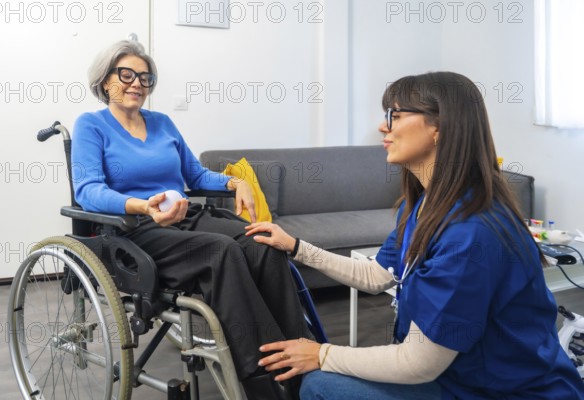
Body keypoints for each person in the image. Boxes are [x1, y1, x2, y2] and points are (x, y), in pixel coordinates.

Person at [246, 72, 584, 399]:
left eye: (394, 115)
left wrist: (322, 354)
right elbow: (376, 275)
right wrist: (295, 247)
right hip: (459, 377)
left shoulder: (470, 234)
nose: (383, 126)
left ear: (439, 126)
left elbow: (418, 363)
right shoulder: (427, 207)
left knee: (321, 384)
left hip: (504, 391)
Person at [71, 39, 311, 400]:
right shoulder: (91, 125)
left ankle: (299, 357)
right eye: (127, 74)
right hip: (134, 231)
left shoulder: (162, 123)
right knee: (221, 251)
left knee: (264, 240)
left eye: (145, 77)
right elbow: (87, 190)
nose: (137, 83)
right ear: (106, 81)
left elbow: (196, 176)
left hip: (185, 217)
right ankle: (262, 379)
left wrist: (236, 181)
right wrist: (142, 206)